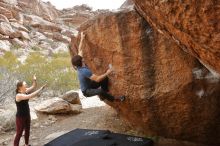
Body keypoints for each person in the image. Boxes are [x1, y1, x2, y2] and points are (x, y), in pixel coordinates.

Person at [71, 32, 125, 102]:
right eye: (82, 59)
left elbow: (80, 49)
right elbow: (98, 79)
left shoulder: (79, 64)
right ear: (81, 61)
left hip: (90, 84)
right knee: (100, 91)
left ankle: (106, 93)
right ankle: (116, 99)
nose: (83, 58)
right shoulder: (84, 71)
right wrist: (108, 72)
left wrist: (82, 38)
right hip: (87, 91)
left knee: (104, 79)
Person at [14, 75, 46, 146]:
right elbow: (30, 96)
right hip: (20, 117)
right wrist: (40, 89)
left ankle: (26, 144)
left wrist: (34, 80)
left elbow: (33, 86)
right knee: (19, 133)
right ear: (20, 87)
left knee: (27, 130)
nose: (26, 84)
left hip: (27, 114)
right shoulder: (18, 95)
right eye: (25, 84)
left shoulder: (25, 90)